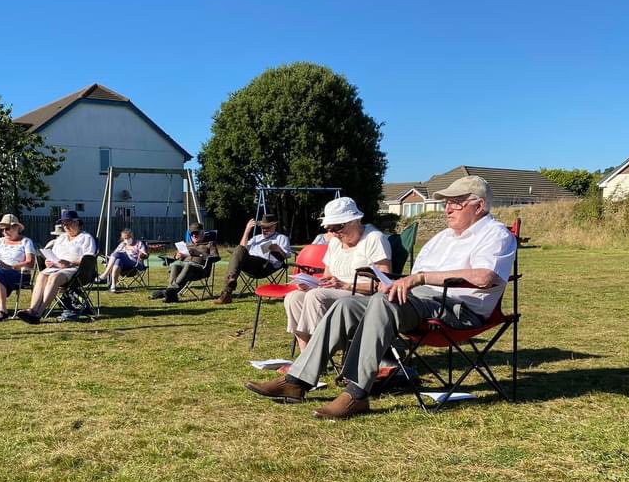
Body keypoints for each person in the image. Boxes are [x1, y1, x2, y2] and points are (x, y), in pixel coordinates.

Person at [246, 176, 517, 420]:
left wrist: (418, 279)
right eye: (447, 202)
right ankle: (297, 382)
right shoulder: (443, 237)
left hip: (458, 308)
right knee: (345, 304)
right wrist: (402, 283)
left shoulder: (496, 235)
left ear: (478, 206)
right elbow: (416, 275)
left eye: (456, 203)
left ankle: (357, 393)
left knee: (381, 301)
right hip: (420, 301)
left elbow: (484, 277)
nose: (447, 208)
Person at [284, 197, 391, 351]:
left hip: (365, 298)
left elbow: (384, 284)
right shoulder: (335, 242)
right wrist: (312, 283)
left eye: (337, 227)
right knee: (293, 297)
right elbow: (327, 277)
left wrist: (345, 285)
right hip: (336, 294)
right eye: (329, 228)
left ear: (355, 220)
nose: (333, 233)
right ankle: (305, 354)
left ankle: (318, 355)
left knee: (316, 296)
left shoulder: (374, 239)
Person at [18, 210, 96, 324]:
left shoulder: (86, 238)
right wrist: (49, 261)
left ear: (77, 223)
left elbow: (89, 258)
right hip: (56, 266)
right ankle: (32, 309)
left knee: (54, 277)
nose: (66, 226)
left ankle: (38, 313)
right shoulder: (61, 238)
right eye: (64, 224)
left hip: (77, 270)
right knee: (42, 275)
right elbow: (53, 255)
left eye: (69, 223)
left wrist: (70, 263)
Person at [214, 214, 292, 304]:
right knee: (239, 250)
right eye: (263, 227)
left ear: (275, 225)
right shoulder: (256, 238)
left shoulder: (281, 238)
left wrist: (278, 249)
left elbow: (286, 256)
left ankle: (227, 290)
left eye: (268, 227)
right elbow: (242, 248)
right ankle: (227, 291)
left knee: (238, 252)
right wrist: (247, 231)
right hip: (250, 263)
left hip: (265, 265)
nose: (265, 230)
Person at [150, 222, 219, 303]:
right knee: (175, 264)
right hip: (184, 266)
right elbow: (176, 256)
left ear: (202, 233)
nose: (194, 235)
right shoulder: (187, 245)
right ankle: (171, 295)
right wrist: (177, 256)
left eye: (196, 233)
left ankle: (168, 291)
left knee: (188, 265)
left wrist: (199, 254)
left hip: (200, 269)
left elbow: (215, 257)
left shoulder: (209, 244)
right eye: (192, 234)